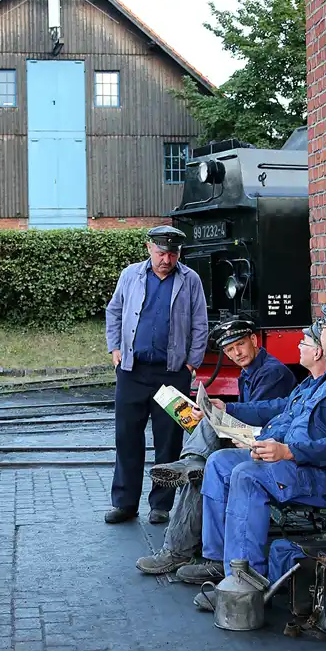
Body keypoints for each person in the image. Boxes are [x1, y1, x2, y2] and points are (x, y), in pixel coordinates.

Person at [175, 304, 326, 594]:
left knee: (247, 475)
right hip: (310, 464)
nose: (318, 334)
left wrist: (288, 452)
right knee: (219, 462)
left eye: (323, 328)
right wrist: (261, 438)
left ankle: (246, 582)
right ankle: (218, 560)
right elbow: (289, 415)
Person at [135, 316, 298, 575]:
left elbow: (267, 417)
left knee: (204, 466)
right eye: (230, 350)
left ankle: (177, 551)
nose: (236, 353)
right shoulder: (254, 370)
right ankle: (192, 467)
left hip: (268, 447)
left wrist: (227, 413)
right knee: (201, 467)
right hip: (258, 440)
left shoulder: (272, 372)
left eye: (240, 345)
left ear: (254, 341)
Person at [104, 225, 208, 525]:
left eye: (172, 254)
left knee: (169, 441)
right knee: (126, 438)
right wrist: (115, 348)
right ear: (149, 248)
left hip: (173, 373)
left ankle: (160, 505)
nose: (166, 260)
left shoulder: (190, 280)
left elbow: (200, 324)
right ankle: (124, 503)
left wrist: (191, 364)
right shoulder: (130, 275)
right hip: (132, 372)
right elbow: (115, 311)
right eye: (161, 253)